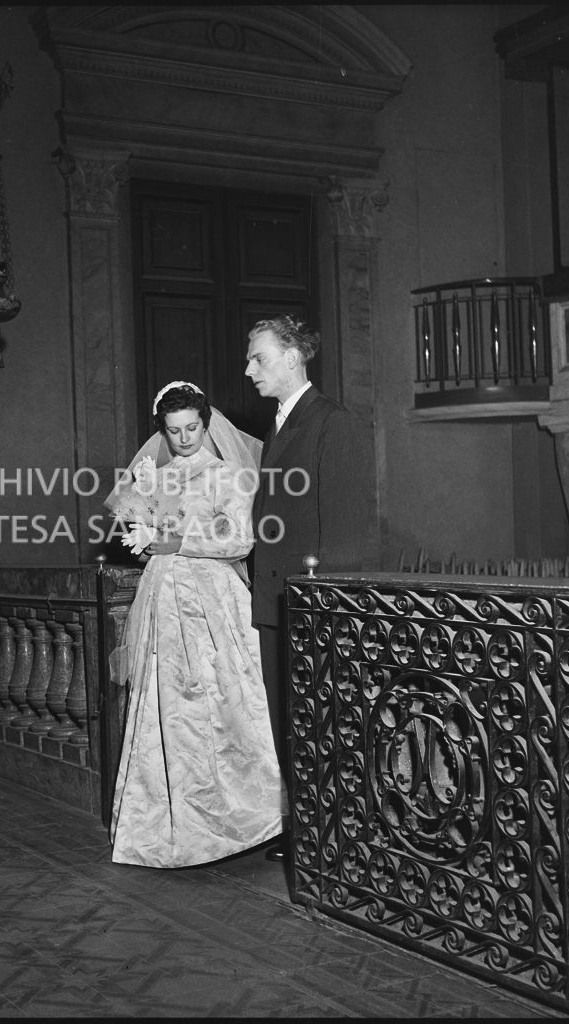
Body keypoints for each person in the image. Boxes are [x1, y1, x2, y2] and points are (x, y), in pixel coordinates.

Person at [104, 381, 284, 869]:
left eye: (192, 428)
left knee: (226, 702)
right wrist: (141, 536)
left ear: (206, 425)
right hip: (162, 596)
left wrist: (177, 541)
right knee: (166, 707)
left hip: (213, 599)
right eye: (173, 430)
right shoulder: (155, 477)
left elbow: (240, 542)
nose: (183, 438)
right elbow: (142, 529)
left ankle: (246, 817)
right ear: (162, 429)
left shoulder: (229, 476)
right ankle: (165, 827)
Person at [244, 315, 365, 861]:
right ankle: (306, 831)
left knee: (318, 722)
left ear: (294, 358)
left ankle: (329, 837)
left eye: (259, 358)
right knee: (289, 719)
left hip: (310, 605)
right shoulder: (281, 423)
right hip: (277, 599)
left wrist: (329, 607)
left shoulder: (331, 421)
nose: (249, 370)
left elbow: (345, 527)